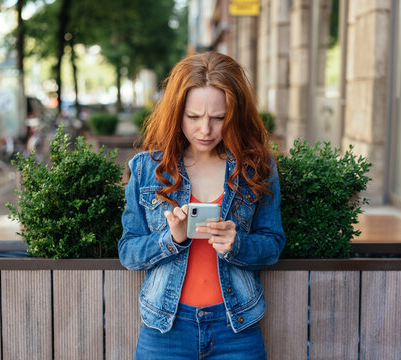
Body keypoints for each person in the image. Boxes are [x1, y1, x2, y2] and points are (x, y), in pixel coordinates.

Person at [119, 51, 286, 360]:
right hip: (165, 329)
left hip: (236, 327)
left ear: (235, 114)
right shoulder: (145, 169)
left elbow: (273, 243)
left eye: (218, 118)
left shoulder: (257, 168)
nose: (205, 130)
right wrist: (172, 239)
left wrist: (238, 244)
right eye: (193, 117)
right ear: (176, 113)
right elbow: (128, 252)